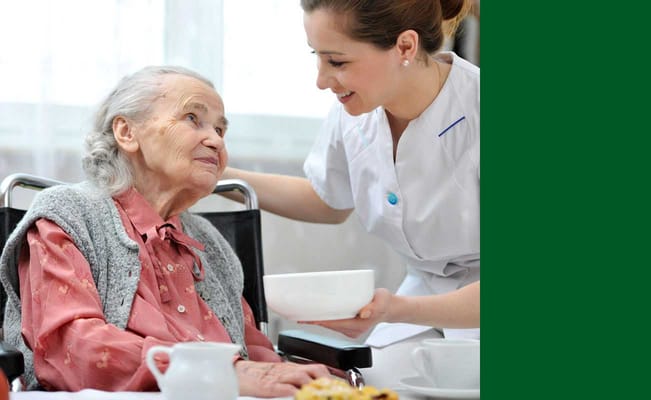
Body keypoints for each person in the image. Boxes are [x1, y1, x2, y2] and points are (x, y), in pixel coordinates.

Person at [0, 66, 334, 396]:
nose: (216, 140)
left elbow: (251, 350)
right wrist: (218, 373)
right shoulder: (67, 215)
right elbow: (71, 348)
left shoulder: (210, 243)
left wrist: (307, 381)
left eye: (220, 129)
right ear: (127, 133)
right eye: (192, 118)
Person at [221, 0, 480, 387]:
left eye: (337, 62)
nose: (321, 80)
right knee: (371, 385)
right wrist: (216, 176)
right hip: (420, 302)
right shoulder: (356, 112)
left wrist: (395, 309)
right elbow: (328, 200)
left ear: (405, 47)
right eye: (317, 57)